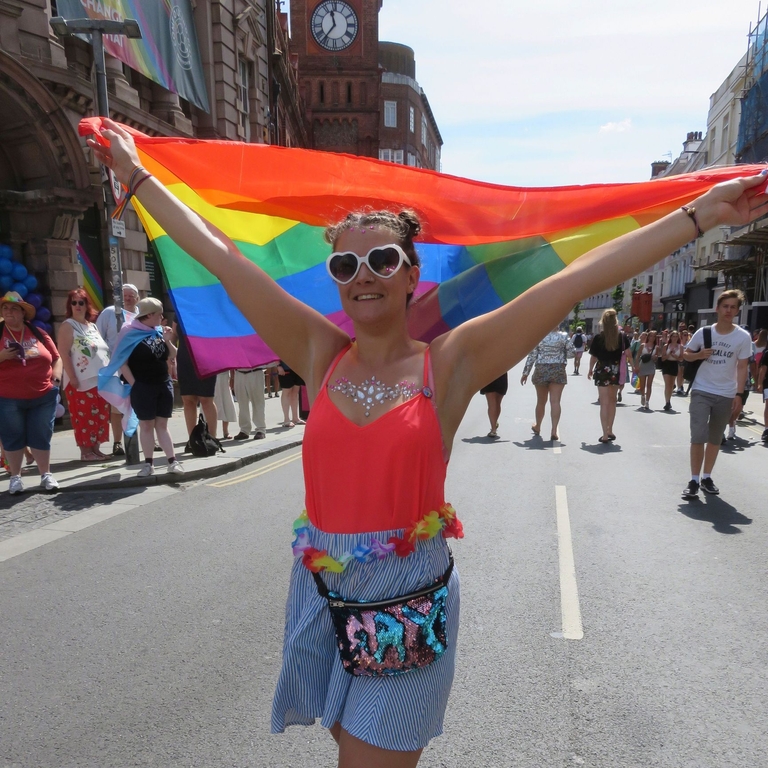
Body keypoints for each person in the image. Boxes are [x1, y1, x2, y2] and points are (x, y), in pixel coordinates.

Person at [90, 117, 768, 767]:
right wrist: (137, 175)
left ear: (413, 274)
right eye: (345, 265)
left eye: (382, 259)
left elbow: (576, 281)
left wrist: (701, 214)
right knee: (350, 745)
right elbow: (220, 255)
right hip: (323, 585)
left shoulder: (450, 363)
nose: (363, 274)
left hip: (407, 599)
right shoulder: (318, 351)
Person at [681, 289, 752, 500]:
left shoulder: (743, 337)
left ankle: (707, 477)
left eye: (733, 307)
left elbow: (742, 367)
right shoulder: (704, 333)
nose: (729, 310)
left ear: (737, 311)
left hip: (726, 393)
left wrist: (739, 395)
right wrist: (699, 355)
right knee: (698, 436)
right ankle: (693, 480)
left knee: (714, 439)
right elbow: (686, 353)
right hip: (702, 390)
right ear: (717, 309)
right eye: (725, 306)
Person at [112, 297, 184, 478]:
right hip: (143, 386)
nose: (162, 317)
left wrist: (168, 340)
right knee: (146, 425)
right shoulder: (129, 333)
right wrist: (136, 385)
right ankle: (148, 465)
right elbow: (123, 363)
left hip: (162, 383)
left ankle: (172, 462)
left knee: (162, 424)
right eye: (159, 314)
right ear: (149, 315)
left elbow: (173, 355)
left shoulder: (158, 331)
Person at [0, 291, 61, 494]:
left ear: (23, 313)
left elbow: (56, 357)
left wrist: (57, 378)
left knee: (41, 435)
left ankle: (46, 475)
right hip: (8, 397)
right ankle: (15, 478)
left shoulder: (37, 332)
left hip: (43, 395)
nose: (9, 311)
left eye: (14, 308)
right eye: (5, 308)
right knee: (13, 436)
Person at [55, 289, 112, 461]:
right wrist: (72, 377)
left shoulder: (92, 326)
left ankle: (96, 449)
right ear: (69, 305)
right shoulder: (68, 326)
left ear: (87, 305)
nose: (78, 306)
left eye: (82, 302)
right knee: (84, 415)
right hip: (81, 379)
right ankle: (86, 451)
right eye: (74, 302)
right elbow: (63, 353)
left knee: (100, 415)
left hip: (100, 379)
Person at [96, 283, 139, 456]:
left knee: (141, 403)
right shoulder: (108, 313)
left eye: (131, 295)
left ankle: (149, 440)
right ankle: (117, 443)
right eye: (124, 295)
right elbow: (97, 336)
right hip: (115, 365)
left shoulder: (140, 314)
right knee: (116, 406)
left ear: (137, 298)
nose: (127, 298)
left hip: (137, 365)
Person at [520, 327, 572, 440]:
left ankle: (538, 426)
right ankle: (554, 430)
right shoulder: (564, 336)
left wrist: (526, 372)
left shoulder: (539, 335)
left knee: (541, 401)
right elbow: (571, 353)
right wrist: (561, 353)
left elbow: (532, 355)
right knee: (555, 401)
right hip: (558, 368)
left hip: (541, 369)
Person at [587, 309, 630, 443]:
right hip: (615, 370)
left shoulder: (599, 337)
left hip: (602, 370)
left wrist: (590, 369)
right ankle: (610, 429)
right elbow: (628, 353)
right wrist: (632, 366)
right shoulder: (622, 336)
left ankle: (604, 434)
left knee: (603, 403)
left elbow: (594, 357)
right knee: (613, 402)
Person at [173, 321, 219, 443]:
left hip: (206, 358)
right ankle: (193, 440)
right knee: (188, 400)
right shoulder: (179, 310)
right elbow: (174, 334)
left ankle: (212, 438)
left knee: (206, 399)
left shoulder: (207, 309)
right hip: (185, 360)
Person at [635, 328, 659, 411]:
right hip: (643, 365)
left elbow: (657, 358)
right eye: (651, 336)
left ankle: (647, 402)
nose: (652, 337)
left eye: (654, 336)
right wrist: (636, 366)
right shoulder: (643, 345)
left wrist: (655, 357)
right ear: (648, 337)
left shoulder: (656, 347)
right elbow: (637, 356)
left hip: (651, 366)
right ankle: (643, 396)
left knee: (649, 385)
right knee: (642, 385)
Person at [277, 359, 306, 428]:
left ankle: (295, 418)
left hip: (297, 367)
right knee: (286, 392)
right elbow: (275, 353)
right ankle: (286, 419)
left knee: (295, 392)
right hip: (285, 367)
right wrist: (278, 365)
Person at [660, 329, 684, 412]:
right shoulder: (666, 345)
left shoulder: (680, 346)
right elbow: (662, 358)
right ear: (670, 337)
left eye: (676, 336)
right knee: (667, 384)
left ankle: (669, 400)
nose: (674, 338)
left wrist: (675, 356)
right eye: (673, 336)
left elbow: (681, 359)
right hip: (666, 364)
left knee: (671, 385)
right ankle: (667, 402)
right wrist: (668, 354)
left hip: (674, 365)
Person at [479, 373, 508, 438]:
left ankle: (493, 429)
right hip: (502, 375)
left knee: (492, 404)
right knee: (497, 403)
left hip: (489, 374)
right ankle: (494, 423)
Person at [213, 369, 237, 439]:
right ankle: (212, 432)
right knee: (212, 403)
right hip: (212, 375)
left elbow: (230, 362)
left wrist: (232, 377)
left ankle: (225, 431)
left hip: (225, 376)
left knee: (226, 402)